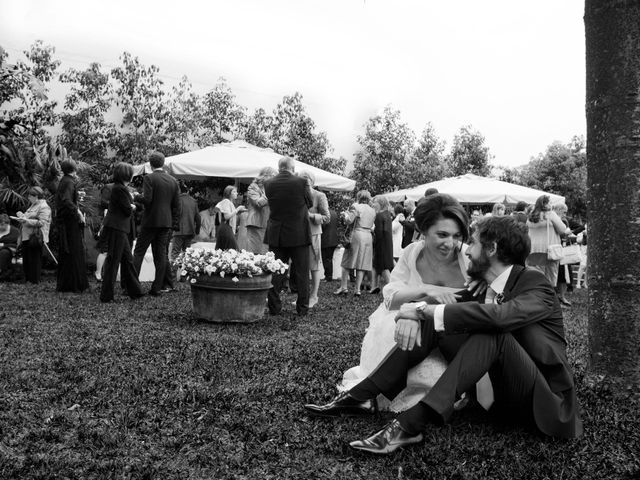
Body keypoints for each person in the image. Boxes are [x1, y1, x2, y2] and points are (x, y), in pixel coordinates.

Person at [307, 216, 583, 454]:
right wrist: (416, 311)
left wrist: (425, 311)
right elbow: (442, 308)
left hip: (541, 402)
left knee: (492, 332)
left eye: (473, 244)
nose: (467, 252)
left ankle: (411, 424)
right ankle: (362, 397)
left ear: (492, 248)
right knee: (435, 322)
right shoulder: (485, 284)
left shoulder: (534, 282)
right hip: (497, 395)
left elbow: (501, 318)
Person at [335, 194, 471, 411]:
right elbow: (390, 299)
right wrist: (426, 291)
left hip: (451, 328)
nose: (451, 244)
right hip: (409, 319)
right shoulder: (412, 253)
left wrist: (424, 309)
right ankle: (372, 393)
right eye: (442, 235)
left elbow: (481, 302)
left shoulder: (469, 258)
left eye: (456, 236)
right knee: (396, 325)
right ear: (424, 231)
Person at [264, 156, 313, 316]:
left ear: (279, 168)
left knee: (276, 272)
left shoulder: (268, 184)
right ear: (293, 168)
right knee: (302, 272)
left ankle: (274, 307)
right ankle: (302, 308)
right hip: (298, 233)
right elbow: (310, 203)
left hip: (277, 233)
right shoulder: (301, 182)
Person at [132, 151, 181, 297]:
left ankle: (133, 286)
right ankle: (157, 288)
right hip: (166, 222)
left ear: (150, 164)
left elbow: (147, 200)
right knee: (161, 255)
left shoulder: (149, 178)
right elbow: (177, 205)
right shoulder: (173, 181)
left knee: (139, 252)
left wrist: (136, 196)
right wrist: (174, 223)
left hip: (151, 221)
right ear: (163, 162)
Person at [99, 163, 144, 303]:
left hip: (118, 228)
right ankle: (107, 295)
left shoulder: (119, 188)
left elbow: (128, 206)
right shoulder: (121, 189)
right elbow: (126, 209)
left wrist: (132, 205)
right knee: (114, 261)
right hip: (118, 228)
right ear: (127, 175)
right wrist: (133, 206)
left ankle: (135, 291)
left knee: (127, 260)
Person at [55, 159, 89, 293]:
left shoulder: (64, 180)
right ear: (74, 168)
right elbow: (67, 201)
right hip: (70, 222)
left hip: (65, 221)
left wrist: (76, 195)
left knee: (67, 251)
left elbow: (64, 198)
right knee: (74, 250)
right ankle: (75, 284)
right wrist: (78, 212)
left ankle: (66, 284)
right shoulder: (69, 181)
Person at [333, 190, 376, 296]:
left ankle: (344, 288)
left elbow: (349, 221)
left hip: (357, 235)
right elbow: (373, 225)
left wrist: (344, 215)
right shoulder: (372, 210)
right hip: (368, 236)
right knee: (362, 264)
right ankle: (357, 290)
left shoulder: (355, 207)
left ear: (358, 197)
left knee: (347, 262)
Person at [526, 195, 570, 287]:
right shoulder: (551, 214)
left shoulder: (531, 215)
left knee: (536, 277)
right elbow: (562, 229)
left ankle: (537, 296)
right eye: (550, 202)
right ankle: (548, 297)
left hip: (532, 249)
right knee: (550, 277)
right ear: (545, 204)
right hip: (549, 250)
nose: (551, 205)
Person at [15, 187, 52, 284]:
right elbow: (28, 217)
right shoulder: (33, 205)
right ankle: (28, 279)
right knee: (27, 258)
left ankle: (34, 280)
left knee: (34, 259)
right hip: (26, 236)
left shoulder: (44, 206)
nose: (28, 197)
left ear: (36, 196)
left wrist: (26, 220)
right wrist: (21, 215)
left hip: (35, 237)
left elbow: (42, 222)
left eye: (30, 196)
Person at [246, 167, 277, 254]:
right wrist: (270, 190)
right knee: (255, 253)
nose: (275, 179)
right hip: (256, 223)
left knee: (266, 253)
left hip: (269, 224)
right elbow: (258, 203)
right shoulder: (253, 187)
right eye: (274, 176)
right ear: (265, 176)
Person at [171, 185, 201, 264]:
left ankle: (173, 275)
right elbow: (198, 218)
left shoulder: (176, 200)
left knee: (175, 254)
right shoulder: (193, 201)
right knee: (187, 255)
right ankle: (184, 275)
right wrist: (197, 230)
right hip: (190, 231)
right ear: (187, 191)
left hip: (178, 231)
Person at [370, 195, 394, 294]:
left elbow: (379, 232)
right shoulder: (387, 214)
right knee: (375, 265)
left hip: (381, 244)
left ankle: (392, 288)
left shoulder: (379, 216)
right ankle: (374, 286)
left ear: (381, 204)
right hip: (387, 242)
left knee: (383, 267)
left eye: (375, 202)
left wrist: (372, 232)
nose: (373, 204)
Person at [214, 185, 246, 250]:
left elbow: (231, 214)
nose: (236, 193)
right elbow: (227, 216)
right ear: (229, 193)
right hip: (226, 228)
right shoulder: (226, 201)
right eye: (234, 192)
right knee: (233, 250)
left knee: (227, 251)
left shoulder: (229, 202)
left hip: (227, 228)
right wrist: (237, 209)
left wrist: (239, 210)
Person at [320, 208, 339, 282]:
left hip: (326, 239)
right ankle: (329, 275)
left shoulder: (323, 214)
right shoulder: (334, 212)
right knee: (329, 258)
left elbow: (322, 227)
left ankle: (328, 276)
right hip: (334, 239)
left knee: (326, 259)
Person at [0, 214, 20, 280]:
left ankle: (2, 273)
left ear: (7, 224)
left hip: (10, 250)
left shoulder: (14, 231)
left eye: (2, 225)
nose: (1, 227)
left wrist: (3, 245)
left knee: (4, 253)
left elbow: (17, 244)